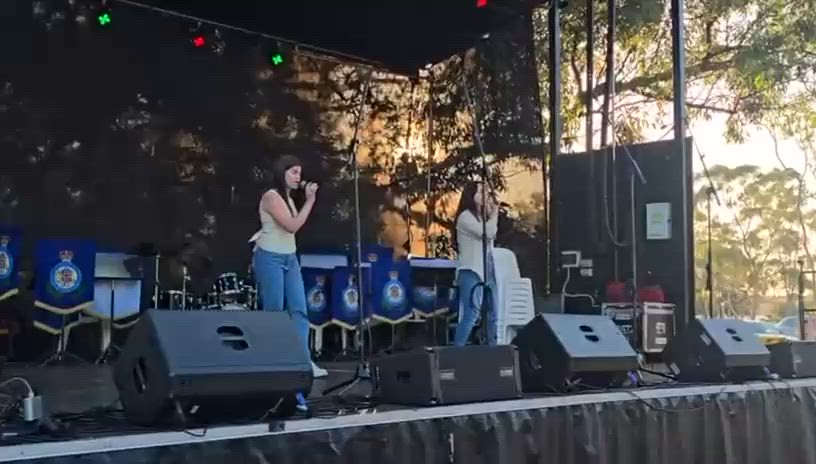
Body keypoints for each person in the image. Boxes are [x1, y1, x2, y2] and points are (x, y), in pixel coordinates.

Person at [253, 155, 328, 392]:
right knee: (274, 311)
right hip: (271, 258)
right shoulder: (271, 196)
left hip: (290, 257)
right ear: (282, 172)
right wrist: (310, 200)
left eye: (299, 172)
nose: (298, 177)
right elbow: (292, 226)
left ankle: (303, 361)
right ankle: (272, 362)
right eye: (294, 172)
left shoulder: (287, 198)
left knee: (298, 309)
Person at [452, 181, 499, 346]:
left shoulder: (483, 218)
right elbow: (488, 234)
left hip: (488, 271)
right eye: (482, 192)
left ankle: (491, 350)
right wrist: (495, 213)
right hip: (471, 271)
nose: (486, 195)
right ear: (472, 196)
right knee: (472, 313)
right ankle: (456, 352)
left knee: (493, 314)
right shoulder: (465, 217)